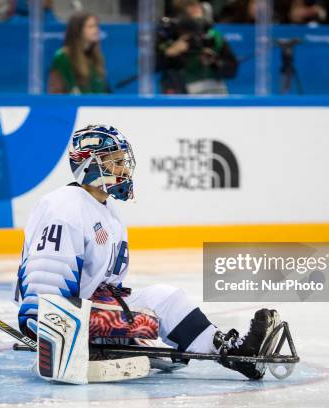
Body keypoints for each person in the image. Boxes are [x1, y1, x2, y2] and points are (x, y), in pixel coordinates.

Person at [15, 124, 282, 380]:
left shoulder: (107, 209)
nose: (124, 170)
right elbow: (45, 291)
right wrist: (55, 337)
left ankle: (234, 353)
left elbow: (109, 284)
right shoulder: (63, 207)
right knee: (147, 317)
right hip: (67, 317)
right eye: (114, 162)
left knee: (166, 298)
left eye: (123, 162)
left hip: (94, 305)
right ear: (89, 165)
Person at [156, 0, 238, 94]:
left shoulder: (213, 36)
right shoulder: (169, 36)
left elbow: (232, 69)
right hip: (179, 93)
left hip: (213, 91)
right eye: (189, 8)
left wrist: (215, 63)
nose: (195, 10)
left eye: (197, 7)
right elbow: (149, 66)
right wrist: (169, 53)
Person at [48, 12, 109, 94]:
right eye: (90, 27)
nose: (96, 30)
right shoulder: (63, 56)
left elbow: (103, 90)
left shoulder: (97, 57)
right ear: (78, 30)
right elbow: (57, 91)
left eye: (96, 26)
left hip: (97, 106)